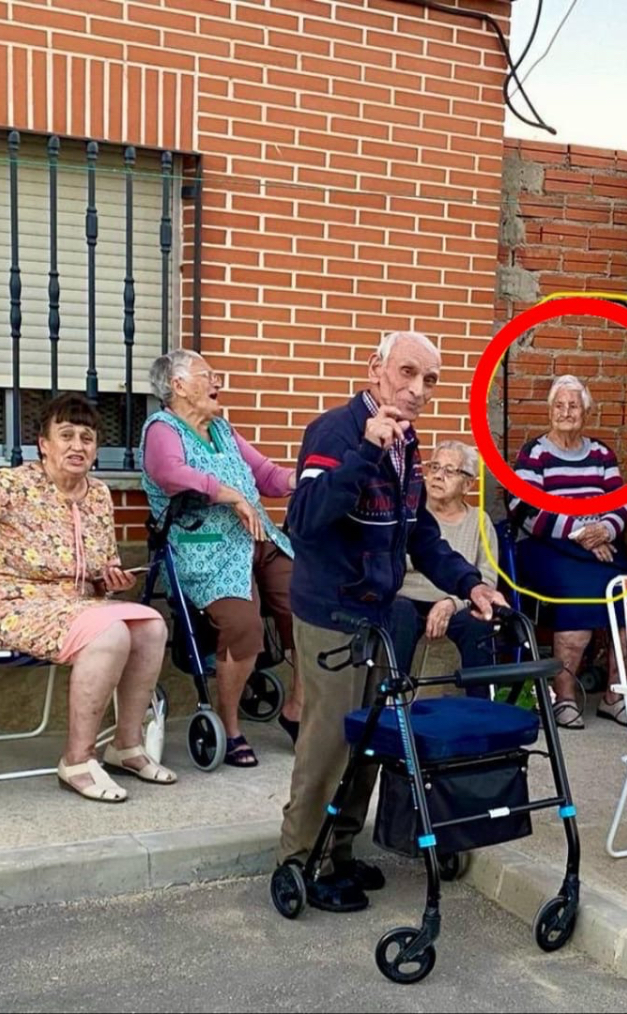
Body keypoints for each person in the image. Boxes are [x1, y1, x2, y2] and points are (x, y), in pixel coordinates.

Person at [276, 330, 507, 914]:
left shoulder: (409, 442)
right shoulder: (335, 431)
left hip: (379, 614)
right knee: (328, 744)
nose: (417, 389)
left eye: (429, 380)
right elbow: (303, 519)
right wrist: (365, 453)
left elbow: (420, 534)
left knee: (371, 742)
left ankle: (341, 851)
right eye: (407, 373)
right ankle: (300, 861)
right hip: (332, 613)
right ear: (376, 368)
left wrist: (468, 581)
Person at [0, 393, 174, 804]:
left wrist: (110, 582)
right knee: (110, 634)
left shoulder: (99, 495)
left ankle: (125, 745)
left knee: (151, 625)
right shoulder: (14, 485)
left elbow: (101, 573)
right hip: (6, 609)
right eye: (65, 435)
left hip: (74, 609)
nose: (77, 446)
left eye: (87, 438)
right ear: (43, 444)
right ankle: (77, 760)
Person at [141, 349, 299, 767]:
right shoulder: (162, 429)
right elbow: (169, 472)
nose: (218, 382)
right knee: (243, 625)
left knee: (306, 603)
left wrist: (310, 477)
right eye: (208, 375)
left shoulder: (222, 429)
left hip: (257, 537)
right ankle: (231, 728)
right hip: (204, 548)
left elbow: (267, 476)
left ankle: (297, 708)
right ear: (178, 386)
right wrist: (230, 495)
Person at [509, 376, 627, 730]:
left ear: (586, 412)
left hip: (600, 546)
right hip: (548, 546)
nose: (566, 412)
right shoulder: (535, 454)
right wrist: (581, 534)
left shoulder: (601, 454)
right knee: (578, 600)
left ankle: (614, 696)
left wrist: (605, 530)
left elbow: (620, 504)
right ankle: (564, 698)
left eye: (573, 406)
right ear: (550, 410)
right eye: (559, 405)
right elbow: (524, 510)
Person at [389, 440, 500, 691]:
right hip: (404, 597)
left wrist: (452, 603)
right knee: (400, 613)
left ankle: (480, 711)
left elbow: (488, 579)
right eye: (434, 467)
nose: (438, 476)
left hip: (457, 601)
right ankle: (393, 703)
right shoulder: (409, 515)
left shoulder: (480, 522)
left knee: (478, 623)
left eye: (450, 471)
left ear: (468, 484)